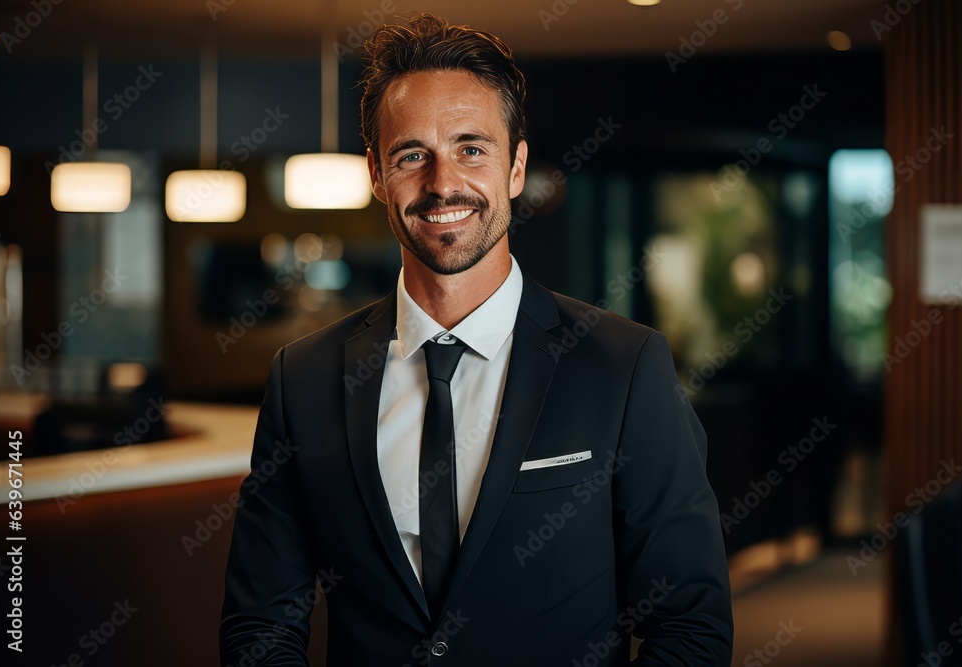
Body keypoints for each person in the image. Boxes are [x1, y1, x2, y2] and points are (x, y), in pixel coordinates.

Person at [220, 13, 732, 666]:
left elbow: (689, 624)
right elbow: (261, 622)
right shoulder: (305, 377)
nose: (442, 183)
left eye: (471, 148)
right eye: (412, 155)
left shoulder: (623, 367)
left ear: (515, 167)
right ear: (377, 174)